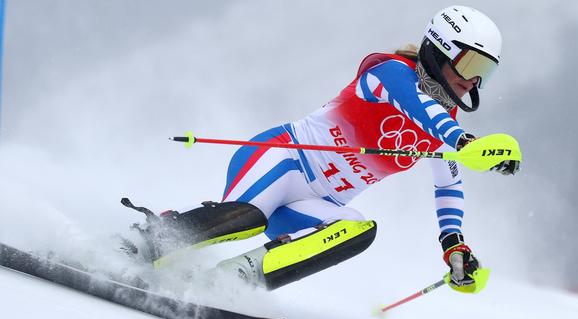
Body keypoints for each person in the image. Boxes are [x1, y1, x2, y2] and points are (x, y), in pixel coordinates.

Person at [126, 5, 519, 291]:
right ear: (438, 51)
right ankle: (143, 243)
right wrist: (466, 142)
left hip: (316, 202)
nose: (474, 82)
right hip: (283, 161)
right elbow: (416, 105)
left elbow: (448, 186)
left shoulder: (446, 125)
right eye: (470, 66)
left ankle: (233, 280)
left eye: (485, 72)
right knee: (247, 217)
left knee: (357, 229)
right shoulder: (389, 73)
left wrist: (453, 244)